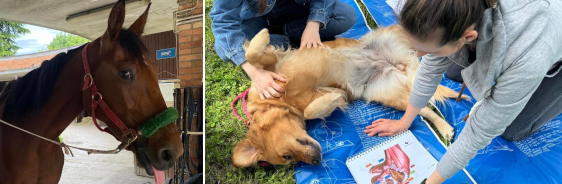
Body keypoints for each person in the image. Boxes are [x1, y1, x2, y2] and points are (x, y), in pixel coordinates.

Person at [377, 0, 562, 183]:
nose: (418, 56)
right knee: (454, 69)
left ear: (468, 37)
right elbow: (428, 72)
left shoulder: (526, 57)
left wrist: (429, 182)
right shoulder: (453, 12)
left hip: (547, 44)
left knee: (511, 130)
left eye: (425, 51)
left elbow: (481, 129)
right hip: (509, 38)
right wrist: (404, 122)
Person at [211, 0, 359, 100]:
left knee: (346, 15)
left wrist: (314, 24)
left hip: (293, 9)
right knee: (225, 49)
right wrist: (254, 72)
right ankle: (286, 41)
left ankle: (289, 35)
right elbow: (222, 22)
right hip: (254, 20)